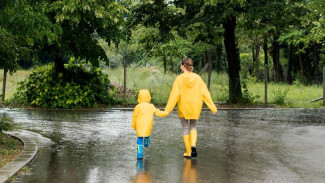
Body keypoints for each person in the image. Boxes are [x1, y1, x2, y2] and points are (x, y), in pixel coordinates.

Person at [164, 58, 217, 158]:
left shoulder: (179, 79)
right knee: (193, 126)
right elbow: (205, 92)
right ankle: (193, 145)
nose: (180, 66)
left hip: (184, 106)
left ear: (183, 66)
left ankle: (188, 152)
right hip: (195, 106)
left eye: (180, 65)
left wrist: (168, 110)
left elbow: (174, 95)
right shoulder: (197, 78)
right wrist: (212, 107)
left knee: (185, 127)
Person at [132, 89, 168, 159]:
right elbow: (158, 112)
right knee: (147, 134)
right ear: (149, 97)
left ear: (139, 97)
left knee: (139, 138)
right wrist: (165, 113)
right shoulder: (151, 106)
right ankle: (146, 143)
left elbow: (134, 117)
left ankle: (139, 154)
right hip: (147, 124)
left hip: (139, 125)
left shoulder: (137, 107)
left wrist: (134, 126)